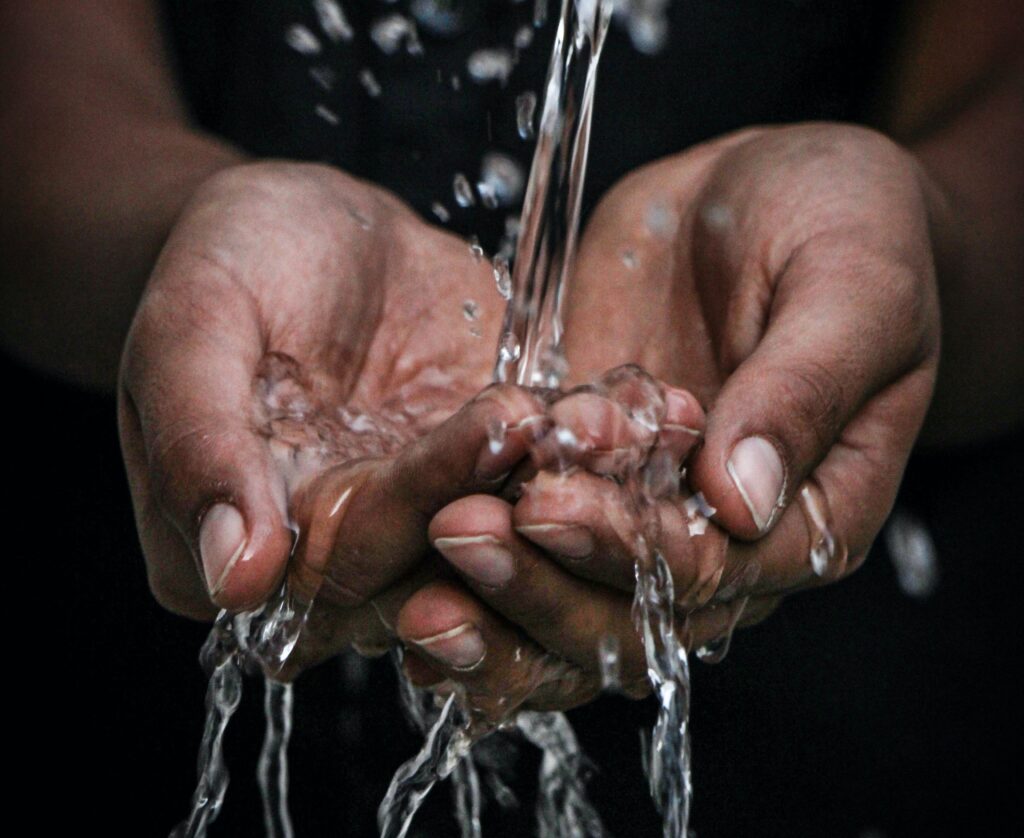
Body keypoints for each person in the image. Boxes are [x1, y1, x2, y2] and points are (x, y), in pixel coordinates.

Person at [1, 0, 1021, 833]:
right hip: (110, 658)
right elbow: (42, 111)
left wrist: (919, 253)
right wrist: (182, 244)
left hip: (843, 701)